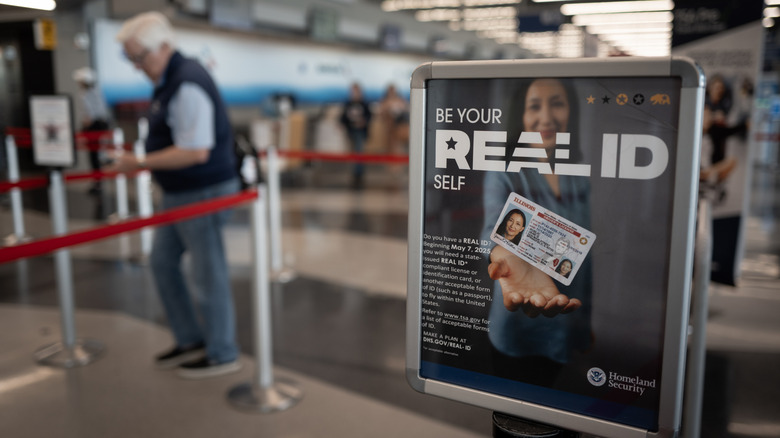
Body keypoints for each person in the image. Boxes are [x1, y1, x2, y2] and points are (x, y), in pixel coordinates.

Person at [109, 12, 242, 379]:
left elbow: (195, 150)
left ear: (164, 46)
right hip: (182, 192)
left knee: (207, 275)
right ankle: (190, 339)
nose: (137, 67)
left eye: (140, 57)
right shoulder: (170, 79)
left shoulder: (186, 83)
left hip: (202, 192)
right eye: (131, 59)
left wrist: (138, 161)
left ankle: (222, 351)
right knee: (163, 263)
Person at [481, 78, 592, 383]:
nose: (546, 116)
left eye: (557, 103)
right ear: (520, 115)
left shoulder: (576, 173)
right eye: (534, 106)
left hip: (567, 324)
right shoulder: (504, 171)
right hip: (517, 330)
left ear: (571, 111)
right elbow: (491, 229)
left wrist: (584, 324)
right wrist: (502, 252)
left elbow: (586, 258)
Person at [73, 67, 111, 194]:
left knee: (94, 156)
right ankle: (97, 182)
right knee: (94, 156)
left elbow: (91, 114)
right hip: (97, 126)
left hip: (94, 127)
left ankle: (98, 183)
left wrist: (86, 124)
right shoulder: (94, 92)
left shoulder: (88, 94)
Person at [340, 82, 372, 189]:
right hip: (350, 132)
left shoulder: (364, 104)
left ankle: (358, 174)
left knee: (359, 151)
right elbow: (342, 118)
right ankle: (354, 173)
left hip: (360, 132)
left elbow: (369, 117)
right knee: (352, 154)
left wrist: (363, 122)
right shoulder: (348, 104)